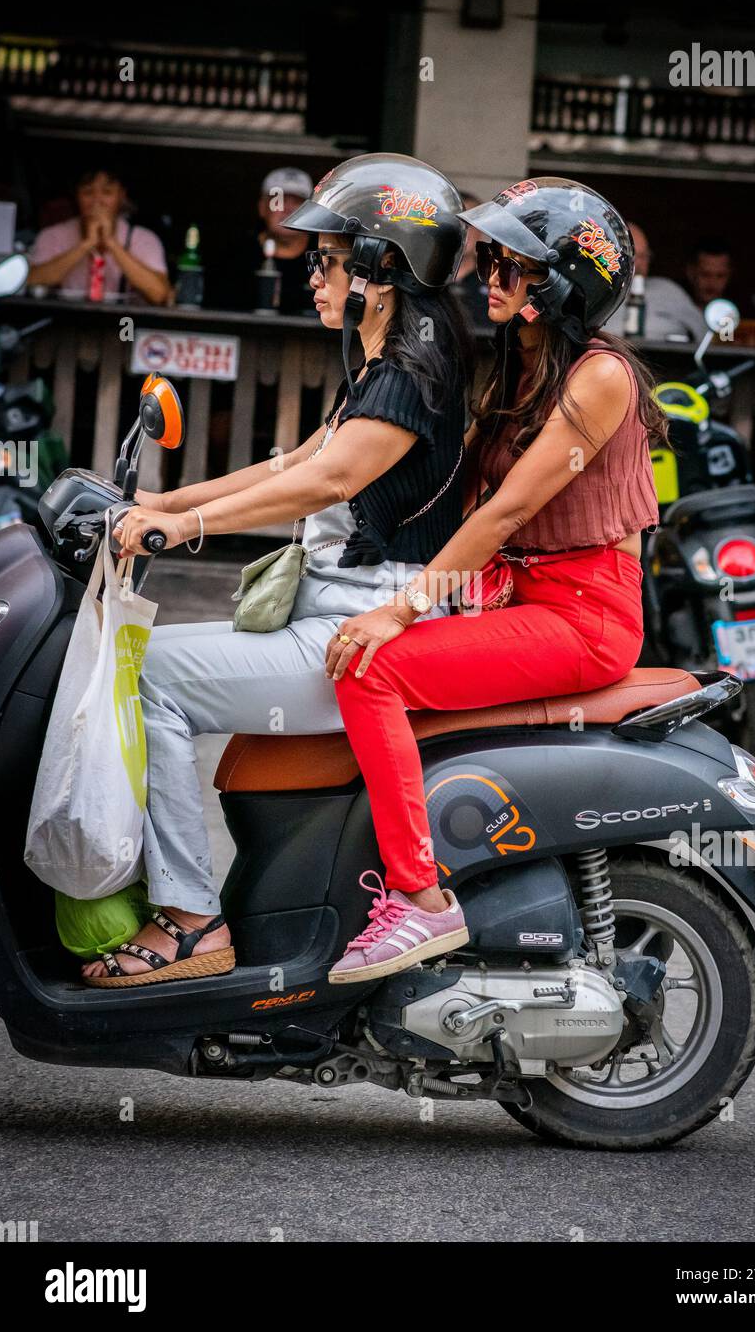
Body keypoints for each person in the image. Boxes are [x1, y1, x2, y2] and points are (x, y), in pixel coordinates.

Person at [80, 153, 473, 986]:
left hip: (356, 628)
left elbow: (326, 481)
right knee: (153, 664)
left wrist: (180, 527)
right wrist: (158, 500)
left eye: (330, 260)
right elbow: (287, 465)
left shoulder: (410, 376)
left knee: (151, 676)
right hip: (331, 614)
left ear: (381, 269)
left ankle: (191, 917)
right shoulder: (378, 368)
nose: (313, 276)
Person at [323, 177, 666, 985]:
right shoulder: (519, 368)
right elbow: (456, 483)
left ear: (561, 283)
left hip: (583, 619)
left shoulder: (600, 376)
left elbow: (508, 511)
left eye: (512, 266)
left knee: (373, 669)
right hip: (524, 598)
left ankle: (419, 898)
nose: (490, 278)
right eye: (490, 261)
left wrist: (399, 614)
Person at [26, 169, 170, 306]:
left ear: (122, 196)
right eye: (88, 192)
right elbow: (30, 282)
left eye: (107, 192)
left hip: (124, 325)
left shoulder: (143, 239)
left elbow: (160, 295)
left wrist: (112, 244)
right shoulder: (52, 235)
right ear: (76, 196)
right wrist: (86, 244)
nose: (97, 201)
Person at [210, 166, 315, 313]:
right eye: (278, 199)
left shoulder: (325, 258)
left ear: (311, 211)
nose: (287, 208)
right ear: (262, 207)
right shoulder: (236, 255)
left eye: (297, 202)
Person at [603, 221, 704, 341]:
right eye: (633, 255)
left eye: (644, 256)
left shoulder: (669, 291)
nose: (639, 264)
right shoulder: (599, 294)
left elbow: (706, 337)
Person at [451, 191, 490, 326]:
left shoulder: (495, 283)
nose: (464, 230)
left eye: (469, 223)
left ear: (480, 229)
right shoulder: (427, 280)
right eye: (458, 222)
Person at [685, 234, 733, 310]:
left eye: (720, 276)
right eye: (705, 274)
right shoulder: (672, 312)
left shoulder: (745, 313)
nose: (712, 282)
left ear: (729, 275)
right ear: (690, 273)